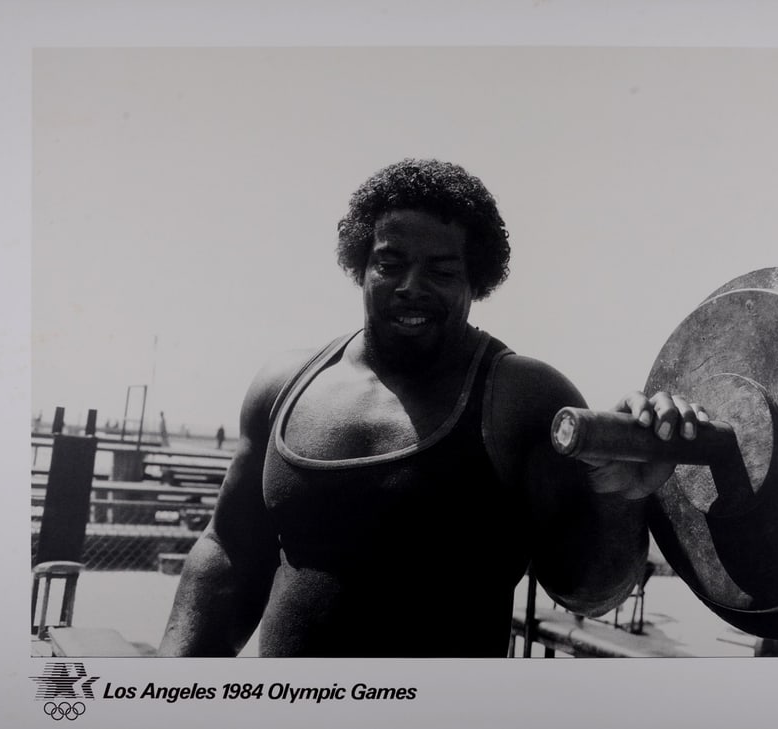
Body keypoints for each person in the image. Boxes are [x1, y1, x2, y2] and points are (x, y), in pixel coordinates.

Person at [158, 159, 705, 657]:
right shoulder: (284, 385)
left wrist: (617, 498)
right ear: (361, 265)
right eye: (389, 264)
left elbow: (589, 591)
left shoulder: (522, 397)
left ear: (476, 280)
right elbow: (230, 552)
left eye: (442, 271)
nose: (410, 287)